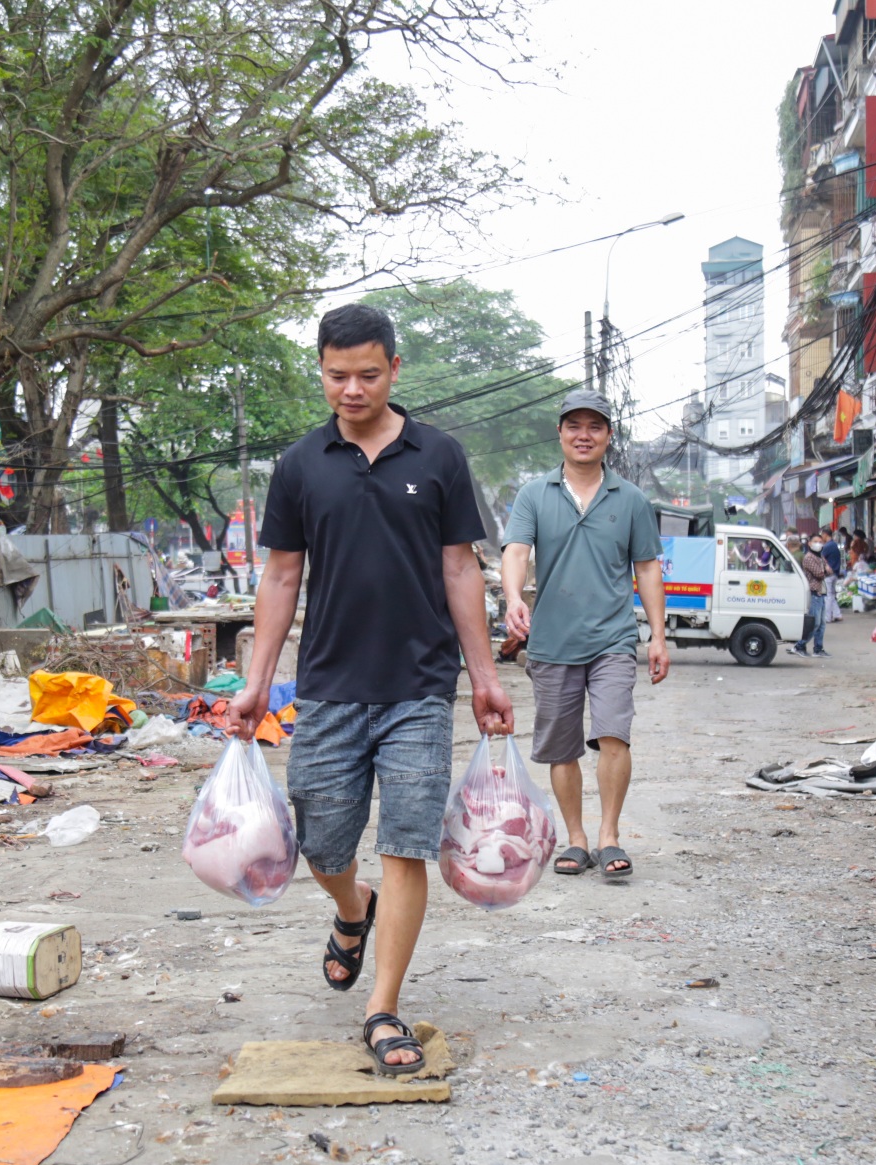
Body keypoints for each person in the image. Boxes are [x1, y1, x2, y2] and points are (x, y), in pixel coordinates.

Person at [230, 302, 514, 1076]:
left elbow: (461, 568)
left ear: (394, 368)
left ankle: (383, 1007)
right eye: (335, 376)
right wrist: (256, 682)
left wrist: (483, 678)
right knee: (320, 843)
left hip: (420, 686)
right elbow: (281, 575)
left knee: (405, 841)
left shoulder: (440, 456)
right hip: (326, 686)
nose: (351, 390)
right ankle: (353, 912)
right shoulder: (299, 465)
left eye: (366, 374)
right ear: (320, 372)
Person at [501, 388, 669, 882]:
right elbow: (515, 550)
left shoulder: (631, 499)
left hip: (613, 638)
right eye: (574, 426)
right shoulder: (534, 493)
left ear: (608, 436)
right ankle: (575, 838)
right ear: (560, 433)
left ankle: (609, 835)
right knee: (561, 746)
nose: (584, 435)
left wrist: (657, 636)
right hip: (552, 639)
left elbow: (648, 569)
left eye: (594, 427)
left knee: (614, 732)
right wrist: (514, 597)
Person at [790, 534, 832, 657]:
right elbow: (820, 573)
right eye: (815, 541)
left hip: (821, 593)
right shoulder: (809, 558)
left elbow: (829, 570)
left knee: (822, 624)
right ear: (809, 543)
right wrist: (825, 570)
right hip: (814, 593)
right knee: (815, 623)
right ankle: (799, 646)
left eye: (820, 541)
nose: (818, 544)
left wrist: (825, 570)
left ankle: (818, 648)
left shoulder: (820, 557)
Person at [819, 526, 844, 622]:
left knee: (828, 596)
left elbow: (820, 557)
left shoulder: (827, 546)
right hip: (835, 573)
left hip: (828, 575)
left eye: (822, 535)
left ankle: (827, 617)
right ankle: (837, 614)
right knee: (832, 595)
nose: (821, 537)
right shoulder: (834, 545)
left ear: (825, 534)